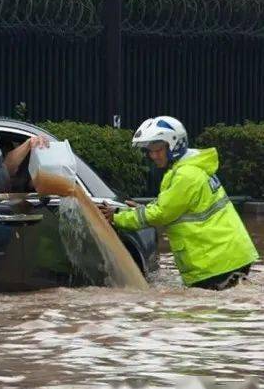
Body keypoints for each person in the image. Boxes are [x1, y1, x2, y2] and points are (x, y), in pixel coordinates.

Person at [99, 116, 259, 290]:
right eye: (150, 150)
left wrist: (117, 217)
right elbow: (171, 206)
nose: (153, 155)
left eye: (158, 149)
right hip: (226, 257)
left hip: (217, 263)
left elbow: (162, 213)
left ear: (174, 145)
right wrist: (141, 209)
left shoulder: (186, 175)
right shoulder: (189, 169)